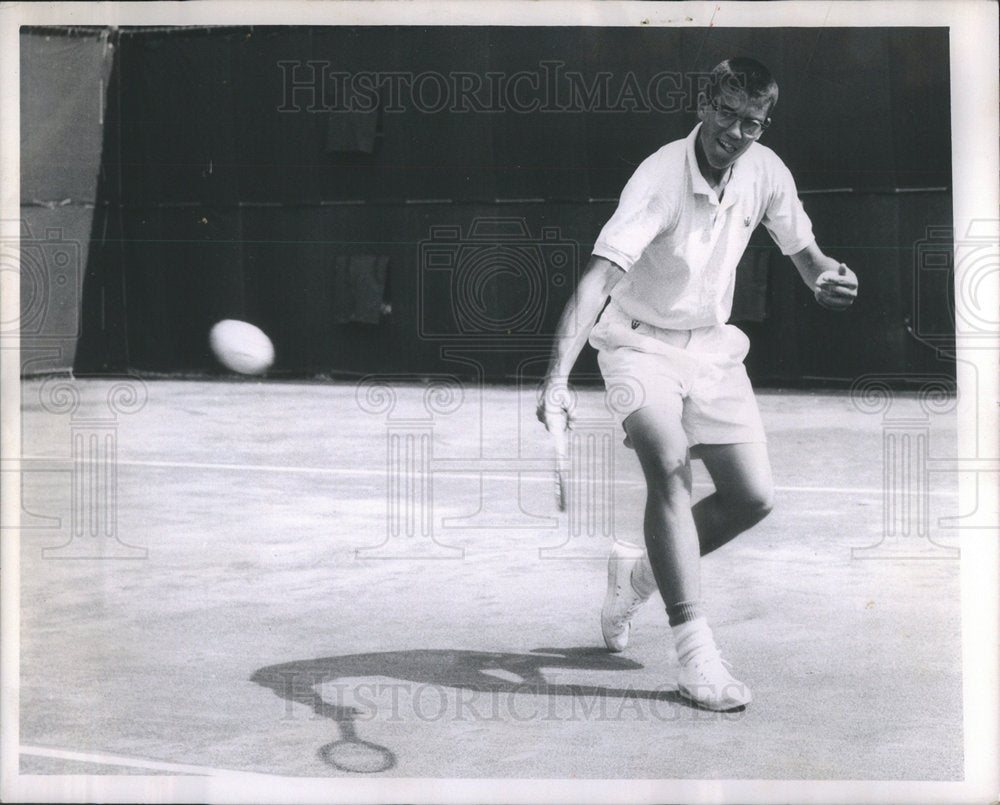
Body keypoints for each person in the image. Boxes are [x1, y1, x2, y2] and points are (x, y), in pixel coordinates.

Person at [537, 57, 858, 711]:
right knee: (668, 463)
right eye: (726, 114)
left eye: (751, 123)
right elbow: (597, 283)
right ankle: (694, 655)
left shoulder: (765, 172)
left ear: (763, 125)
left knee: (752, 497)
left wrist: (826, 276)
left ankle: (637, 577)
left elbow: (806, 254)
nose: (734, 133)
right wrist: (556, 379)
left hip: (710, 348)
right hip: (636, 346)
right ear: (704, 104)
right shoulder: (658, 180)